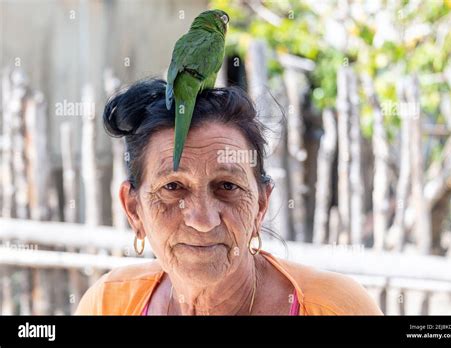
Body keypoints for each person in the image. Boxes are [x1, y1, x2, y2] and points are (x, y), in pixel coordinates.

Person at [75, 78, 382, 315]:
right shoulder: (109, 303)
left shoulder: (334, 307)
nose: (203, 220)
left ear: (261, 204)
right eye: (173, 187)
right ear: (134, 209)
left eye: (227, 186)